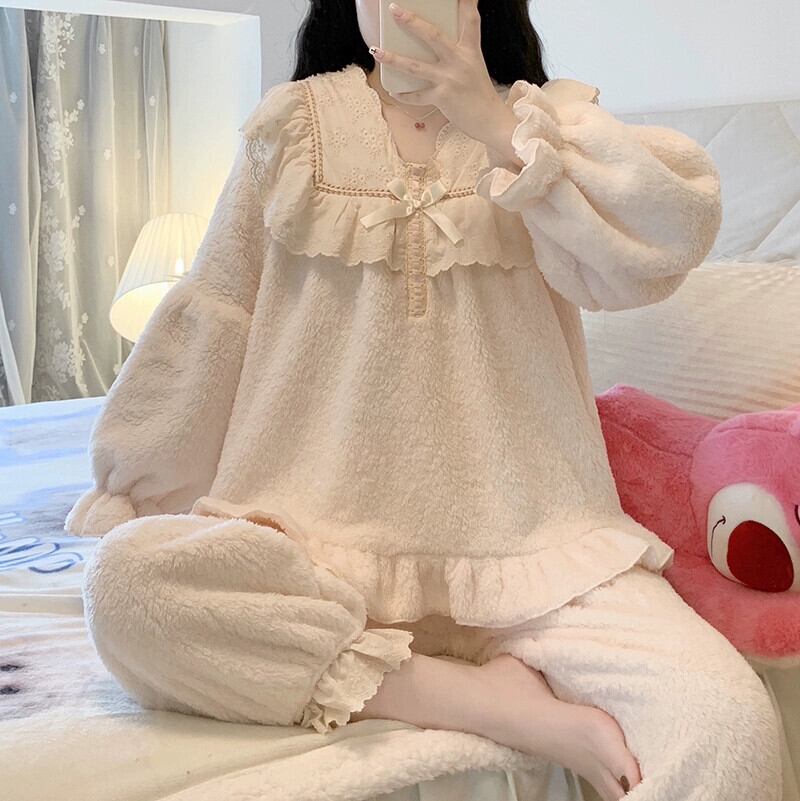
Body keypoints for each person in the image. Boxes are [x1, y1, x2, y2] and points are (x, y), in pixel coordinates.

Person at [64, 1, 782, 800]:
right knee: (126, 585)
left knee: (729, 727)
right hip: (317, 554)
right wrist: (138, 484)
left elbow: (670, 232)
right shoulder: (291, 128)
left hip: (540, 562)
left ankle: (462, 686)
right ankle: (487, 701)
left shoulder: (548, 128)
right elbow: (218, 317)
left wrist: (495, 123)